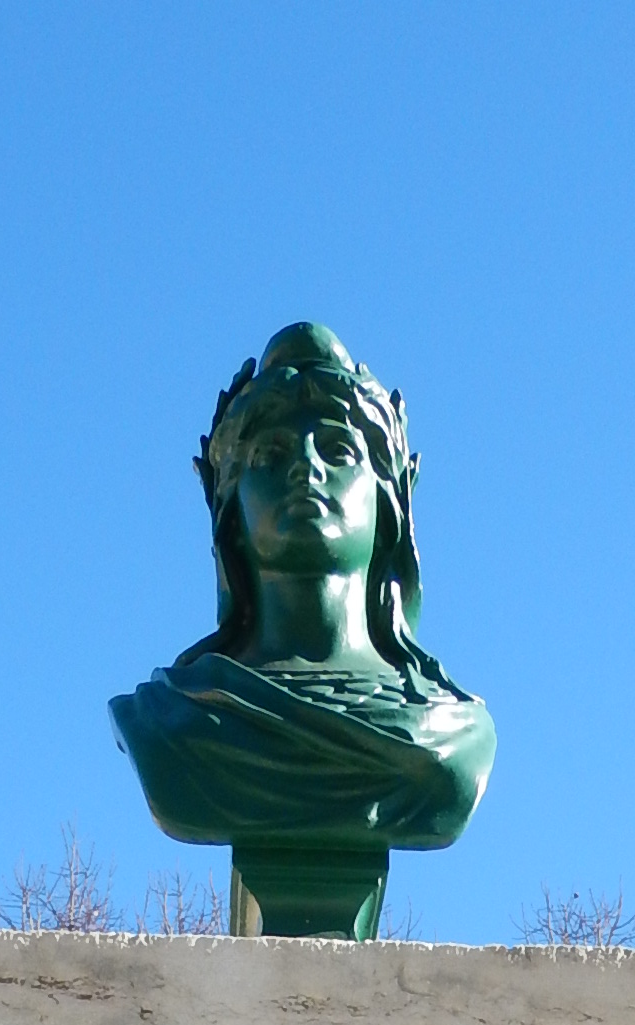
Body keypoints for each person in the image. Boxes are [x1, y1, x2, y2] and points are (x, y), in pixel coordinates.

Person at [111, 322, 495, 938]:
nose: (307, 469)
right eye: (272, 455)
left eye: (340, 451)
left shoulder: (450, 734)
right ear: (229, 510)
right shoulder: (172, 722)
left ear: (389, 502)